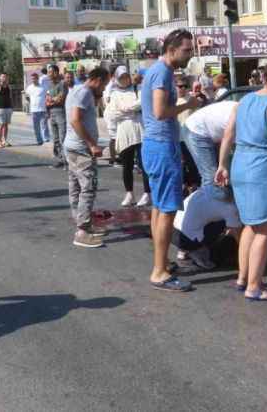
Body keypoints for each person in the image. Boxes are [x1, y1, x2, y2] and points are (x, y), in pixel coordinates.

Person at [216, 60, 267, 301]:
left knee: (249, 224)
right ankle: (255, 286)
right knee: (265, 228)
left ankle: (243, 278)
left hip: (239, 162)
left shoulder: (244, 100)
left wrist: (222, 164)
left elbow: (228, 134)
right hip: (260, 167)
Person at [141, 29, 201, 292]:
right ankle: (159, 272)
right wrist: (188, 104)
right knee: (166, 210)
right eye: (187, 50)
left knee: (158, 206)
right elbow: (160, 111)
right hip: (162, 146)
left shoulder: (157, 71)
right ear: (172, 48)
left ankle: (161, 263)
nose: (190, 55)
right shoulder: (162, 72)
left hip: (156, 146)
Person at [64, 67, 110, 248]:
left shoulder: (78, 90)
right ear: (97, 80)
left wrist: (96, 96)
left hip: (73, 146)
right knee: (88, 187)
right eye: (104, 84)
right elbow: (75, 120)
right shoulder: (83, 93)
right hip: (80, 149)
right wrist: (91, 144)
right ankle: (82, 231)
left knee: (76, 186)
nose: (104, 89)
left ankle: (83, 223)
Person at [106, 66, 151, 207]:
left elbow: (142, 103)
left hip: (139, 129)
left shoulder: (137, 89)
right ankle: (129, 193)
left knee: (144, 164)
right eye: (121, 77)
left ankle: (147, 193)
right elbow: (113, 114)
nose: (124, 80)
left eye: (126, 76)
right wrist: (132, 110)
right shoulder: (114, 94)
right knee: (127, 164)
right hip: (124, 131)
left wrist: (126, 109)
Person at [172, 185, 242, 274]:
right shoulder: (230, 207)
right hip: (188, 239)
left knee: (211, 219)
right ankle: (200, 257)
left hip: (174, 231)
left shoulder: (209, 188)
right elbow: (239, 238)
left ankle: (184, 251)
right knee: (228, 236)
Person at [183, 100, 238, 200]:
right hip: (196, 130)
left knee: (224, 177)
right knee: (211, 178)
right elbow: (227, 138)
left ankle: (218, 206)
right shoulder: (240, 115)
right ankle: (207, 211)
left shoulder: (246, 110)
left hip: (210, 131)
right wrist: (222, 165)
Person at [46, 65, 69, 169]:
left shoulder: (62, 84)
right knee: (55, 139)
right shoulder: (50, 85)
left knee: (63, 137)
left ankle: (67, 161)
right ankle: (60, 159)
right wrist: (51, 101)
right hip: (52, 113)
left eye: (50, 72)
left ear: (55, 73)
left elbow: (61, 99)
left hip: (60, 112)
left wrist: (52, 100)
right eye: (48, 72)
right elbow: (47, 99)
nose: (48, 74)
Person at [25, 72, 51, 145]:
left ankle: (46, 139)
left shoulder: (43, 86)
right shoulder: (29, 88)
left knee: (44, 125)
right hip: (34, 110)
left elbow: (48, 96)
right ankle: (39, 140)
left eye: (35, 78)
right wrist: (32, 103)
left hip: (43, 109)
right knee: (36, 127)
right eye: (32, 79)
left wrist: (48, 106)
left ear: (37, 79)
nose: (33, 80)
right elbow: (27, 96)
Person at [0, 73, 14, 148]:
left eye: (5, 77)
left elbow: (10, 97)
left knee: (6, 125)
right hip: (0, 108)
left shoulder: (8, 86)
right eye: (3, 77)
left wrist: (12, 107)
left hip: (8, 108)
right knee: (0, 125)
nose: (4, 78)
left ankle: (5, 140)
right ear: (0, 78)